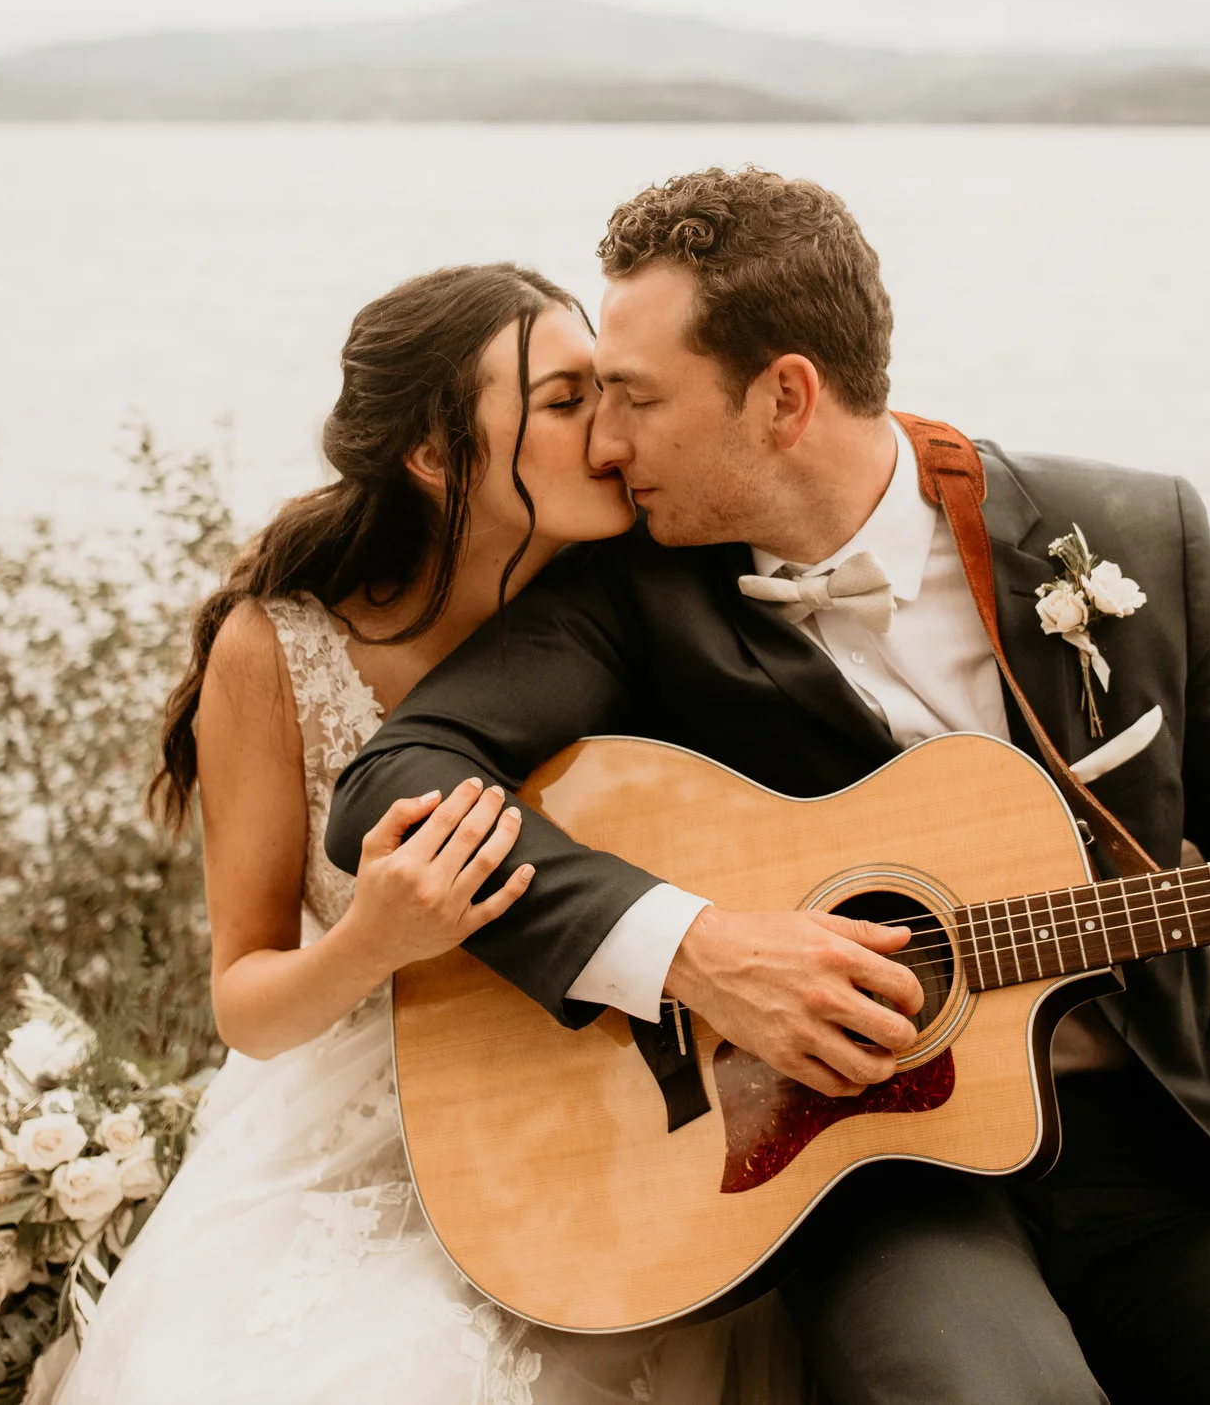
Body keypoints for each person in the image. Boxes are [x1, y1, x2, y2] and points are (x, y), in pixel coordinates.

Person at [326, 169, 1210, 1405]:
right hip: (882, 1175)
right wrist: (697, 947)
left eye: (639, 395)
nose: (606, 443)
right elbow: (398, 779)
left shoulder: (1136, 536)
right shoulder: (633, 597)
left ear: (784, 396)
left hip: (1165, 1154)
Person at [44, 263, 800, 1405]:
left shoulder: (651, 587)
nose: (607, 432)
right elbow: (244, 998)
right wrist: (372, 939)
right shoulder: (277, 650)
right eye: (559, 402)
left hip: (625, 1091)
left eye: (607, 388)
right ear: (436, 457)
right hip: (367, 1122)